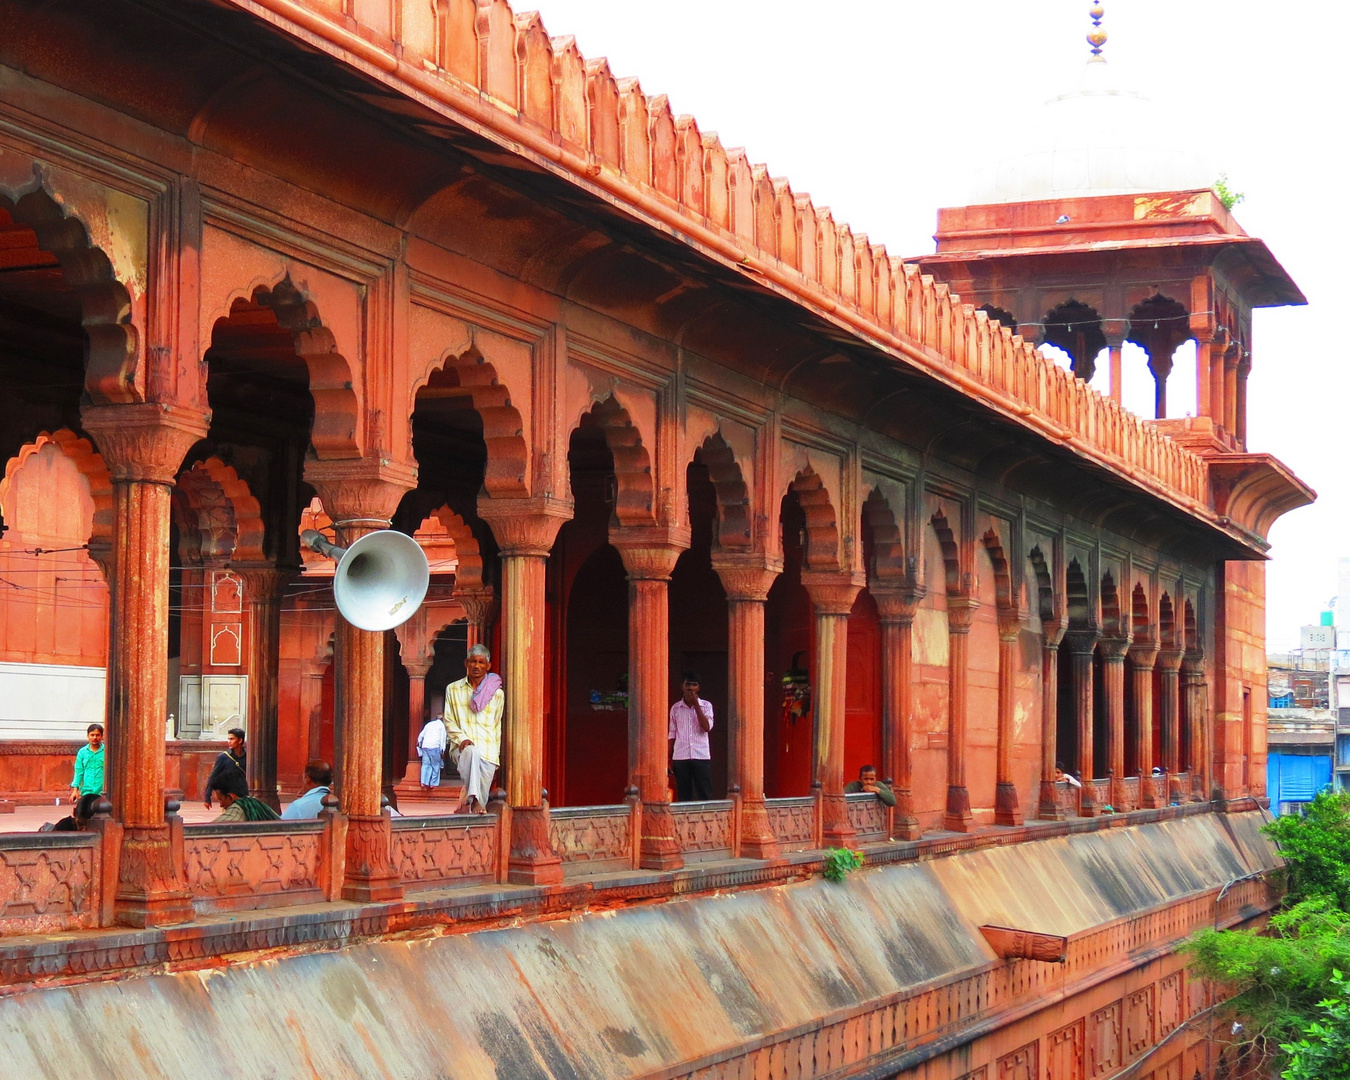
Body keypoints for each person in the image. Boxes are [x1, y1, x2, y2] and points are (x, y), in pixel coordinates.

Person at [443, 643, 503, 814]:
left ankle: (470, 810)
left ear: (488, 666)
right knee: (472, 752)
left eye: (481, 662)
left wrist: (495, 756)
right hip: (462, 749)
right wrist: (462, 739)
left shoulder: (497, 694)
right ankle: (474, 800)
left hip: (488, 751)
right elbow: (448, 720)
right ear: (466, 663)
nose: (477, 666)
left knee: (480, 808)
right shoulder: (453, 689)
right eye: (473, 662)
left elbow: (496, 725)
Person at [668, 671, 714, 802]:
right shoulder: (675, 708)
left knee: (704, 792)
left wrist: (696, 705)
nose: (691, 688)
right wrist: (668, 757)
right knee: (683, 794)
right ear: (682, 687)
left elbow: (706, 727)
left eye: (694, 685)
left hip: (701, 756)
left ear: (698, 688)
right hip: (681, 756)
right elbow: (672, 734)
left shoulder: (706, 706)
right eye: (688, 684)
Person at [204, 727, 248, 810]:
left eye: (232, 739)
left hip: (244, 796)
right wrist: (207, 798)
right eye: (228, 739)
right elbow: (213, 778)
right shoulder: (223, 757)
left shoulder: (248, 756)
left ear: (240, 740)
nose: (229, 742)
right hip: (229, 798)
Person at [70, 723, 106, 802]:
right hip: (87, 791)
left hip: (103, 792)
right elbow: (79, 772)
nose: (94, 738)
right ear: (88, 736)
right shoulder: (82, 752)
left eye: (97, 735)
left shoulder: (107, 751)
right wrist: (75, 791)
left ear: (102, 736)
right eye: (92, 735)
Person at [416, 715, 448, 790]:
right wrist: (443, 750)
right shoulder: (441, 726)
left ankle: (424, 782)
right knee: (435, 765)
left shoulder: (429, 724)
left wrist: (419, 742)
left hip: (425, 746)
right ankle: (433, 783)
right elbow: (442, 738)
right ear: (442, 719)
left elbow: (421, 735)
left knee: (426, 764)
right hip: (434, 746)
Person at [213, 789, 280, 823]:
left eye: (220, 799)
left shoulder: (238, 807)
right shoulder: (257, 803)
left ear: (230, 797)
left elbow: (210, 828)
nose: (221, 805)